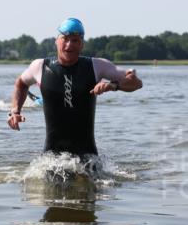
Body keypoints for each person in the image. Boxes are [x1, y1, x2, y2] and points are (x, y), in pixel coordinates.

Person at [8, 18, 142, 159]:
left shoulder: (97, 66)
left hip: (88, 158)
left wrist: (113, 86)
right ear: (56, 41)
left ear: (82, 44)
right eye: (65, 39)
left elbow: (135, 82)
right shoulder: (40, 67)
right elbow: (21, 83)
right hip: (51, 159)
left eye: (75, 40)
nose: (69, 44)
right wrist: (15, 111)